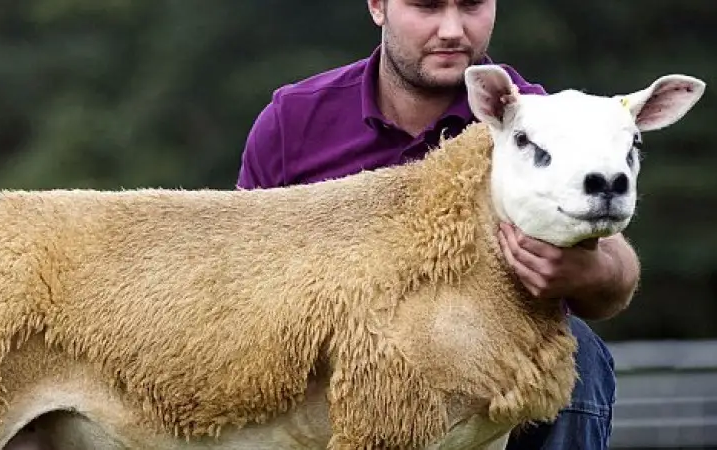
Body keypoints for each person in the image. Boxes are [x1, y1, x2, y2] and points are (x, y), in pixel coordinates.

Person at [236, 0, 641, 448]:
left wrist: (593, 272)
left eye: (471, 5)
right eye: (426, 5)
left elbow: (614, 261)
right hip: (324, 366)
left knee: (577, 352)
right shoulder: (294, 121)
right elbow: (241, 269)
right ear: (378, 6)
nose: (452, 30)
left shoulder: (537, 119)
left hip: (481, 369)